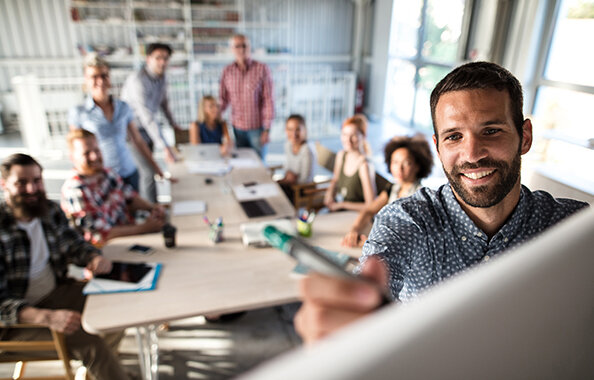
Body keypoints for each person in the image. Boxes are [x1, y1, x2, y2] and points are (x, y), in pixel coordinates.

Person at [295, 61, 589, 343]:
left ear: (524, 137)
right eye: (454, 137)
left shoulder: (575, 229)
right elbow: (376, 275)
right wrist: (354, 313)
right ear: (438, 147)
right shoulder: (405, 220)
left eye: (491, 131)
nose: (472, 154)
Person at [0, 153, 130, 380]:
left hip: (56, 293)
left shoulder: (49, 211)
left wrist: (92, 258)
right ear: (4, 185)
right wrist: (48, 317)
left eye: (37, 181)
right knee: (92, 345)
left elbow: (75, 244)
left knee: (117, 308)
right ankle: (109, 368)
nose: (32, 189)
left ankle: (106, 370)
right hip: (16, 323)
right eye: (21, 183)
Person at [68, 53, 164, 192]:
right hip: (101, 176)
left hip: (129, 172)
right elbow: (76, 150)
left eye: (104, 75)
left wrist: (156, 167)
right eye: (94, 77)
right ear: (86, 79)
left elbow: (138, 140)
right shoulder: (79, 112)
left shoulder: (123, 107)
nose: (100, 81)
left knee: (134, 211)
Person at [61, 129, 166, 246]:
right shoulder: (75, 190)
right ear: (72, 157)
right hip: (108, 250)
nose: (94, 156)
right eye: (86, 153)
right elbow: (100, 234)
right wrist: (145, 228)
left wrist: (152, 208)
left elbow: (130, 197)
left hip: (130, 238)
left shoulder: (107, 173)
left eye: (97, 150)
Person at [341, 135, 433, 247]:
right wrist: (354, 230)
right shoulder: (392, 188)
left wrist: (371, 244)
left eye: (407, 163)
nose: (399, 168)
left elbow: (412, 239)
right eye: (395, 162)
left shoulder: (421, 197)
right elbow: (369, 211)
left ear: (418, 166)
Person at [121, 42, 181, 203]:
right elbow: (147, 116)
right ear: (148, 59)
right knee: (148, 172)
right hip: (133, 132)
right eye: (158, 58)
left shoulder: (162, 78)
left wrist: (173, 124)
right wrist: (165, 147)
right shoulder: (137, 81)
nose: (162, 62)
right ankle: (152, 213)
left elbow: (164, 104)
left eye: (166, 58)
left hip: (148, 130)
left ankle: (154, 207)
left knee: (151, 171)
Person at [219, 34, 274, 158]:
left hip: (257, 129)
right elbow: (223, 100)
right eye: (237, 46)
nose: (241, 49)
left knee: (258, 165)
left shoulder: (262, 69)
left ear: (250, 47)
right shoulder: (227, 71)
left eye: (244, 45)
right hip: (237, 129)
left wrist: (267, 129)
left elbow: (268, 100)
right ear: (232, 49)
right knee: (242, 163)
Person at [323, 114, 376, 212]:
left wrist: (342, 205)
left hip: (357, 216)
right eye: (344, 134)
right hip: (339, 210)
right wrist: (329, 193)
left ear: (364, 136)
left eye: (354, 135)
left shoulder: (365, 165)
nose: (348, 140)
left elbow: (371, 205)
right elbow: (335, 180)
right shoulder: (341, 155)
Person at [277, 114, 315, 203]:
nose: (294, 134)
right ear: (286, 130)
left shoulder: (307, 150)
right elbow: (287, 167)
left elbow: (305, 179)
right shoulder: (288, 144)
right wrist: (287, 176)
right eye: (290, 129)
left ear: (304, 130)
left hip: (302, 189)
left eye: (298, 129)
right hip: (290, 184)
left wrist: (291, 179)